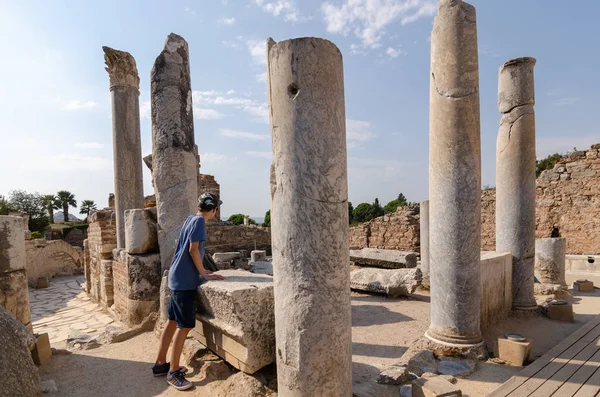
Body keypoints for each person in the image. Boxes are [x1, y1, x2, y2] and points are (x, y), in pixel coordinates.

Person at [152, 193, 225, 391]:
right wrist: (203, 273)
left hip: (176, 277)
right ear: (214, 210)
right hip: (184, 282)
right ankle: (174, 372)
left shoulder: (190, 219)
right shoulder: (200, 222)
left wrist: (202, 270)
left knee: (172, 321)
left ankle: (160, 364)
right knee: (184, 327)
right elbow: (193, 250)